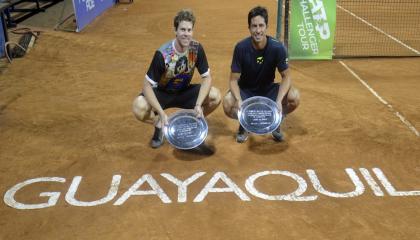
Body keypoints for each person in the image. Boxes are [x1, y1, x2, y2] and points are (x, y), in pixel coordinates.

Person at [133, 9, 221, 148]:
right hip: (162, 94)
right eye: (182, 30)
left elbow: (207, 78)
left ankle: (192, 121)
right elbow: (146, 86)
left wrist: (198, 105)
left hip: (184, 92)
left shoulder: (196, 49)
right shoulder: (163, 54)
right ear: (175, 30)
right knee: (139, 106)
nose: (186, 34)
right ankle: (159, 125)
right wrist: (161, 114)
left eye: (189, 30)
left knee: (215, 96)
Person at [223, 6, 299, 143]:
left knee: (294, 97)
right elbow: (233, 80)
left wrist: (278, 101)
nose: (258, 30)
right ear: (249, 27)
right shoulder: (241, 48)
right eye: (254, 26)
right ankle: (244, 123)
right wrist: (240, 100)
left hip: (268, 90)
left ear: (266, 26)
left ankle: (275, 121)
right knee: (228, 103)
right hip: (246, 91)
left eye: (261, 26)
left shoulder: (277, 48)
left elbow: (286, 76)